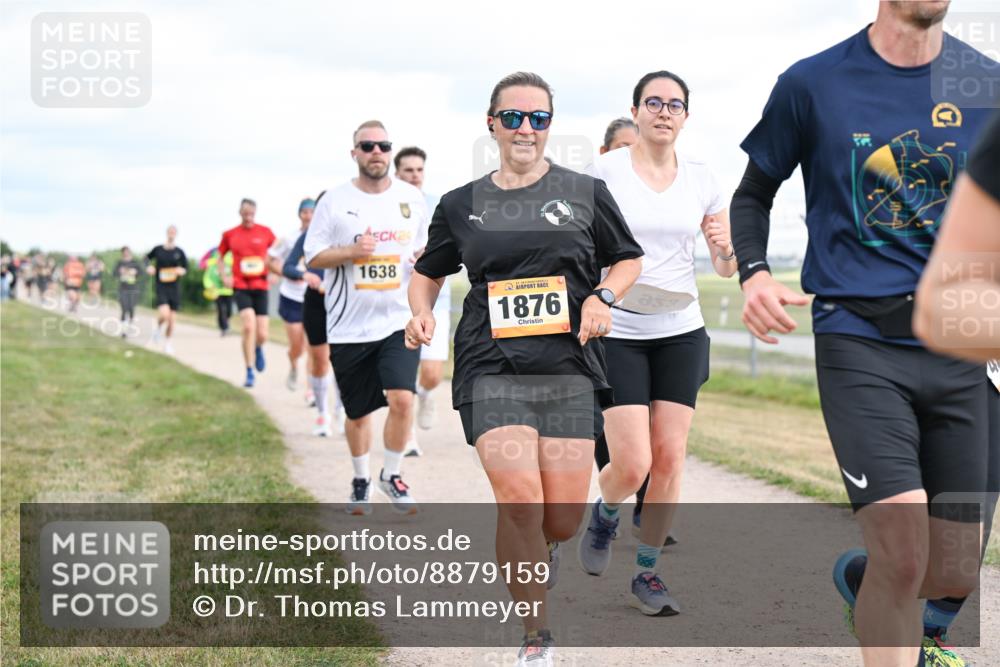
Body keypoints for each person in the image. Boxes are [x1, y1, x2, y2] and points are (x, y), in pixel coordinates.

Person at [731, 3, 996, 665]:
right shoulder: (813, 83)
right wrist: (756, 274)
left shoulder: (986, 87)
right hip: (859, 338)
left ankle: (867, 581)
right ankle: (887, 580)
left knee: (955, 571)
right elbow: (753, 192)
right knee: (904, 554)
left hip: (964, 348)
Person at [407, 72, 643, 667]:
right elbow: (428, 272)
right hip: (491, 362)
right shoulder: (460, 204)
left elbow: (626, 261)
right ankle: (535, 634)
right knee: (518, 500)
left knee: (558, 518)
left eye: (538, 118)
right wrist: (419, 312)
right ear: (492, 124)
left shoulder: (585, 192)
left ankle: (551, 543)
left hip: (567, 365)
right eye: (513, 117)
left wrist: (602, 298)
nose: (526, 129)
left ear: (550, 127)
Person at [579, 71, 737, 617]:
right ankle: (604, 513)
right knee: (632, 464)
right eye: (654, 103)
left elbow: (722, 265)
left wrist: (727, 249)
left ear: (685, 116)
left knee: (669, 457)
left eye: (675, 105)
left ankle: (647, 572)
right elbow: (575, 246)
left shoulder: (703, 177)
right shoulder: (602, 172)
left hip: (680, 329)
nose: (664, 112)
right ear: (637, 111)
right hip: (619, 329)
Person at [305, 120, 429, 515]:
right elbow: (314, 256)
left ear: (390, 152)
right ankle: (361, 480)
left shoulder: (412, 198)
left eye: (383, 145)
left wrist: (424, 258)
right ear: (355, 153)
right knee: (358, 413)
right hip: (347, 325)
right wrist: (351, 251)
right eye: (368, 146)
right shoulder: (334, 201)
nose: (377, 152)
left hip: (397, 320)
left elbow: (428, 249)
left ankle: (390, 475)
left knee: (402, 399)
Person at [395, 145, 448, 453]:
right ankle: (408, 434)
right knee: (404, 372)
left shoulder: (437, 204)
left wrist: (429, 255)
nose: (415, 176)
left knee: (431, 374)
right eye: (408, 171)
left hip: (433, 298)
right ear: (397, 173)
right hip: (397, 301)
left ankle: (426, 395)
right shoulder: (388, 206)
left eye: (419, 170)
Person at [284, 193, 345, 437]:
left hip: (344, 303)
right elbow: (287, 265)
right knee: (320, 360)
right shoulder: (309, 237)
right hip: (315, 302)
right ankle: (323, 414)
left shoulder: (348, 235)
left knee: (342, 362)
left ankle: (341, 411)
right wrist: (304, 275)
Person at [218, 198, 276, 388]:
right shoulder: (230, 234)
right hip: (241, 285)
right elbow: (220, 257)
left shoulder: (265, 232)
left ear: (255, 212)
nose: (248, 216)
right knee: (248, 326)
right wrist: (224, 275)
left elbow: (278, 254)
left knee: (263, 333)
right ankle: (249, 370)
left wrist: (276, 274)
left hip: (261, 286)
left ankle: (258, 347)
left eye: (251, 212)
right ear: (240, 212)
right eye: (245, 212)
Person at [269, 199, 314, 396]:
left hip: (313, 296)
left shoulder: (322, 238)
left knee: (313, 346)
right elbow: (270, 259)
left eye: (312, 212)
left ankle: (311, 389)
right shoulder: (289, 238)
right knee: (297, 346)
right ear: (299, 214)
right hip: (291, 297)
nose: (308, 216)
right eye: (304, 212)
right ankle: (294, 364)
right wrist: (286, 272)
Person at [146, 225, 188, 355]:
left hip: (174, 288)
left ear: (176, 234)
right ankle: (157, 329)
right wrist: (149, 267)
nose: (171, 234)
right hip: (161, 286)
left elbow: (185, 267)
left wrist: (182, 270)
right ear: (166, 233)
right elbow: (146, 259)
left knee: (172, 319)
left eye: (173, 232)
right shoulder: (158, 249)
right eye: (170, 232)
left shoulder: (179, 251)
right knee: (164, 314)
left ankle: (168, 344)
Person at [200, 247, 235, 336]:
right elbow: (207, 275)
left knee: (229, 311)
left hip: (229, 291)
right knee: (221, 310)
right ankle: (224, 328)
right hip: (216, 291)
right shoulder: (212, 264)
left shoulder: (231, 264)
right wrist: (209, 286)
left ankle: (225, 323)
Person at [113, 246, 143, 338]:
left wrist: (135, 272)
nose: (126, 253)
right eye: (124, 252)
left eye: (127, 251)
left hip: (133, 288)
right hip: (122, 288)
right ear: (122, 253)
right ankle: (123, 330)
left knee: (131, 308)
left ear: (130, 252)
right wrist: (120, 272)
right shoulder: (119, 263)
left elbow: (141, 273)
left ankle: (129, 326)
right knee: (124, 307)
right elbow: (114, 274)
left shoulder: (135, 263)